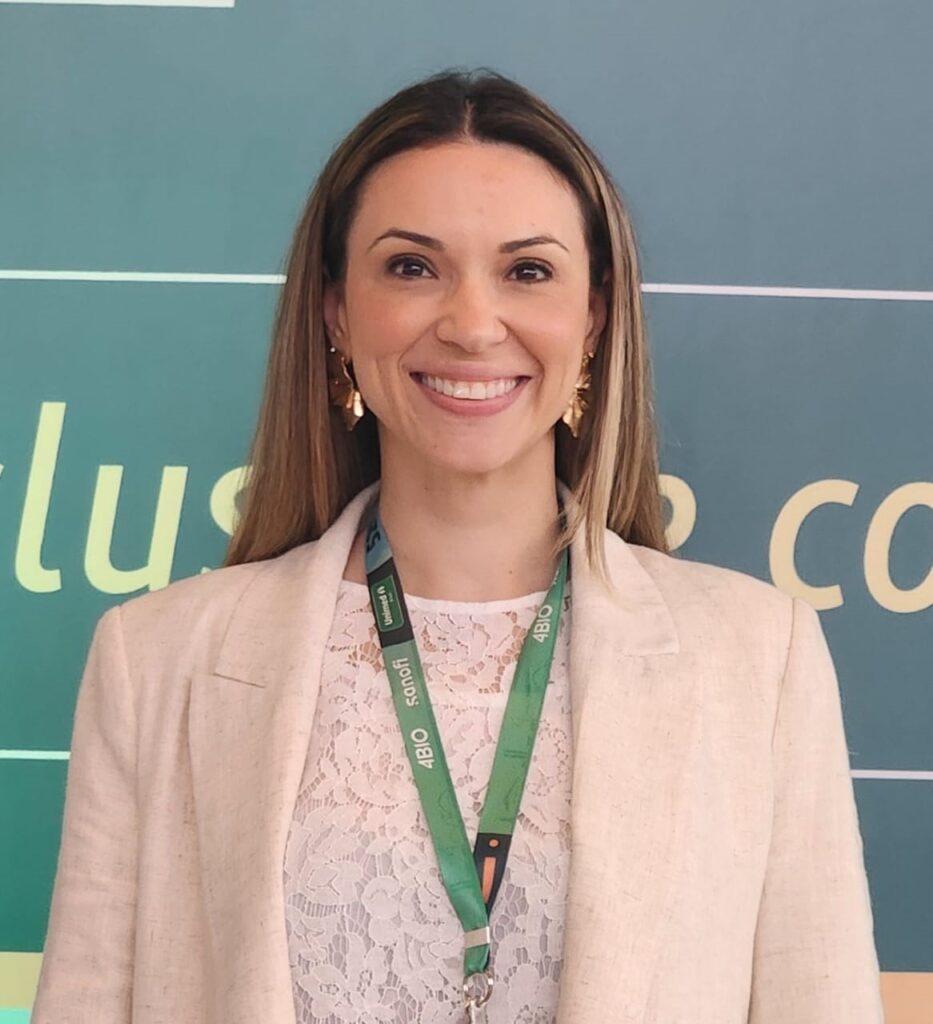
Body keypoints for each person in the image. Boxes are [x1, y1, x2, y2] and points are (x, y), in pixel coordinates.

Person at [32, 68, 884, 1023]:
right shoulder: (156, 662)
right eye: (411, 267)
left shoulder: (758, 659)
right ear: (335, 312)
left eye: (527, 271)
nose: (473, 325)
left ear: (593, 317)